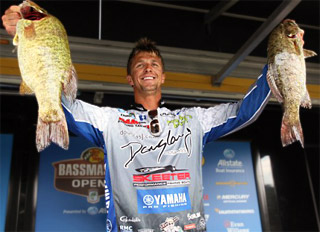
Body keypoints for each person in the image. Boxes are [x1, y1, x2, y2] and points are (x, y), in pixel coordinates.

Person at [2, 5, 271, 232]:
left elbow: (243, 111)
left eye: (154, 64)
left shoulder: (194, 120)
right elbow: (60, 102)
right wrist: (30, 39)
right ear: (130, 79)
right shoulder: (110, 121)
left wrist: (279, 63)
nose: (148, 68)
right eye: (140, 65)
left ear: (163, 76)